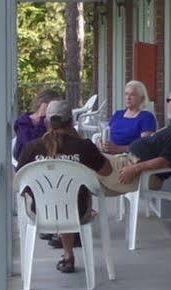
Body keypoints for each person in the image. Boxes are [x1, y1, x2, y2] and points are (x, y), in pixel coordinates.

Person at [15, 100, 112, 273]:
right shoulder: (85, 147)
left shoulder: (32, 148)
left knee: (60, 199)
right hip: (78, 211)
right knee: (70, 198)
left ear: (47, 121)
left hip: (40, 212)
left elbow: (18, 182)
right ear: (71, 121)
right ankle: (68, 254)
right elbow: (107, 171)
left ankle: (68, 256)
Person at [114, 85, 171, 189]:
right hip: (131, 161)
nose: (167, 104)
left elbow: (166, 161)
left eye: (169, 100)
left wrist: (135, 169)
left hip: (141, 174)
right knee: (92, 160)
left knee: (92, 162)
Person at [100, 80, 157, 152]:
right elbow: (106, 134)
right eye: (126, 94)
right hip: (107, 152)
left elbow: (145, 146)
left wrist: (118, 149)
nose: (128, 97)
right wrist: (100, 142)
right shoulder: (118, 114)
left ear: (142, 98)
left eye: (132, 94)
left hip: (126, 156)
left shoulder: (146, 117)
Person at [13, 86, 64, 155]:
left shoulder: (55, 121)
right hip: (29, 161)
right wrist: (42, 119)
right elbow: (30, 145)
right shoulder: (23, 122)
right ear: (42, 104)